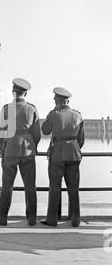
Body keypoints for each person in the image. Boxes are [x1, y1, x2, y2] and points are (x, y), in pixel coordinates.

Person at [0, 78, 41, 226]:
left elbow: (1, 132)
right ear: (25, 93)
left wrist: (2, 149)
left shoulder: (6, 109)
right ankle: (31, 219)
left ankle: (2, 218)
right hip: (27, 151)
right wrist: (32, 146)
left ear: (13, 92)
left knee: (7, 186)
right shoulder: (32, 109)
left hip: (10, 150)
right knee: (30, 186)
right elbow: (37, 134)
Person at [41, 87, 85, 227]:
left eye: (55, 99)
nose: (54, 101)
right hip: (74, 154)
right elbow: (81, 139)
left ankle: (52, 220)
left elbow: (45, 130)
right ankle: (75, 220)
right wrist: (73, 148)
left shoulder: (54, 114)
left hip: (57, 155)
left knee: (54, 187)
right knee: (73, 188)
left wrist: (50, 116)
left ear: (58, 101)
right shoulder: (78, 115)